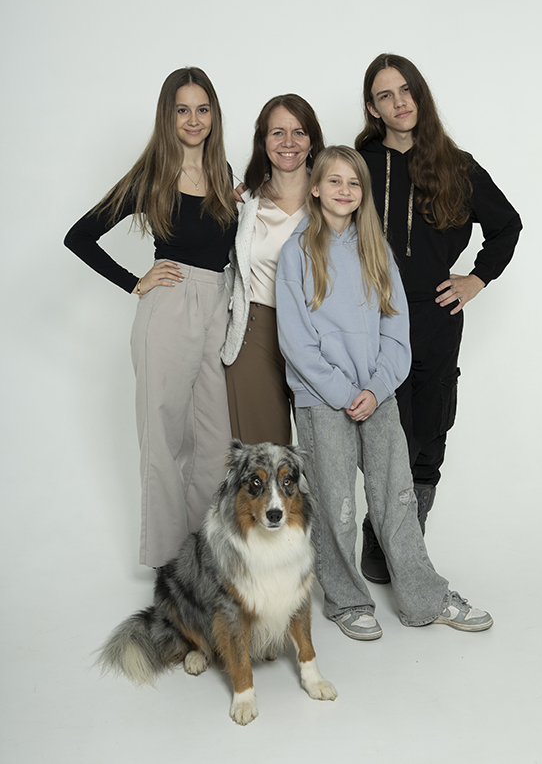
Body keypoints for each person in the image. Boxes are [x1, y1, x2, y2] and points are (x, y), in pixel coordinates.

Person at [275, 145, 493, 639]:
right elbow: (296, 341)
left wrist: (375, 389)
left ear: (364, 193)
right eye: (334, 181)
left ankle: (424, 598)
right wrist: (341, 391)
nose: (345, 190)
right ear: (315, 188)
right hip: (322, 400)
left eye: (354, 183)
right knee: (336, 505)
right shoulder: (296, 252)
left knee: (396, 499)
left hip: (377, 396)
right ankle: (347, 600)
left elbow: (397, 333)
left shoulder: (377, 251)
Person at [355, 54, 522, 582]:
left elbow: (507, 225)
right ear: (372, 108)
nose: (399, 102)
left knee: (429, 430)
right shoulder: (358, 164)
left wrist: (476, 279)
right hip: (374, 317)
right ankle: (379, 529)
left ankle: (410, 533)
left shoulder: (456, 165)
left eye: (406, 90)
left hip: (435, 317)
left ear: (420, 95)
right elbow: (309, 207)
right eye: (385, 95)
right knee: (387, 431)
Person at [64, 67, 237, 568]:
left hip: (219, 305)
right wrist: (133, 281)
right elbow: (79, 236)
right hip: (169, 307)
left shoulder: (224, 174)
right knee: (164, 437)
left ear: (214, 115)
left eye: (202, 109)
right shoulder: (151, 177)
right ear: (167, 115)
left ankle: (208, 551)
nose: (193, 119)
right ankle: (168, 559)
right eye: (182, 110)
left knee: (215, 440)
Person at [222, 94, 325, 444]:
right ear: (263, 141)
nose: (288, 142)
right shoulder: (245, 203)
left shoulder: (334, 198)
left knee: (325, 457)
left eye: (299, 132)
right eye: (277, 132)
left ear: (312, 140)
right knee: (262, 459)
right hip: (257, 333)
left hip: (319, 336)